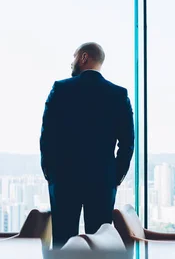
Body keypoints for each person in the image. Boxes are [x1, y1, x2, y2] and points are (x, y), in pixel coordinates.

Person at [40, 42, 134, 247]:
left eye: (74, 57)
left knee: (63, 243)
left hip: (64, 178)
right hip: (102, 180)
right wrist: (115, 176)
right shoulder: (118, 94)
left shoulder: (60, 89)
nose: (71, 63)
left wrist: (50, 172)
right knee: (100, 242)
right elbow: (127, 142)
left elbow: (47, 137)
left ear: (84, 58)